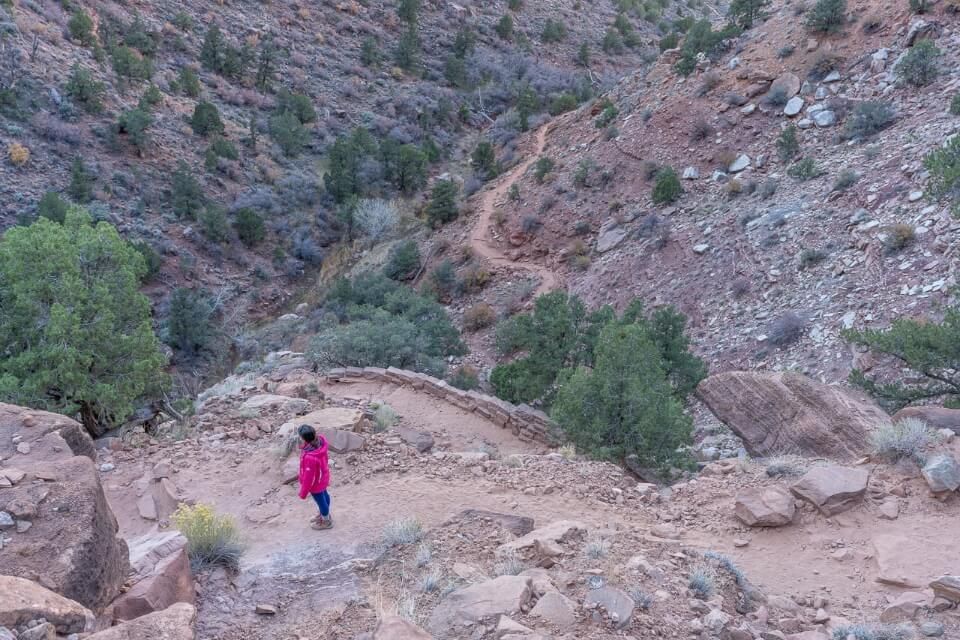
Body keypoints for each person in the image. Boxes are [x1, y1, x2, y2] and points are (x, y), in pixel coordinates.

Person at [297, 424, 332, 530]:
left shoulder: (310, 457)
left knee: (321, 501)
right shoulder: (321, 443)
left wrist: (303, 493)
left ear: (303, 439)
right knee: (325, 495)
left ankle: (326, 521)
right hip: (323, 476)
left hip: (316, 483)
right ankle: (323, 514)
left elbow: (309, 478)